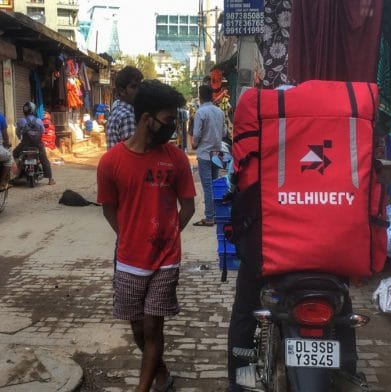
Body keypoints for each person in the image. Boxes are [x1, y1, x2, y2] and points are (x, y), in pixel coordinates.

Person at [96, 80, 195, 392]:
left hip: (166, 259)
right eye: (167, 121)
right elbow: (108, 208)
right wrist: (129, 235)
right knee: (138, 325)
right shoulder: (111, 162)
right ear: (145, 119)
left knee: (153, 324)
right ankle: (161, 372)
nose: (172, 127)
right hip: (129, 259)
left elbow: (189, 206)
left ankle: (144, 388)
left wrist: (169, 235)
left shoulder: (176, 158)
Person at [191, 84, 226, 226]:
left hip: (204, 153)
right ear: (212, 95)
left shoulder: (201, 112)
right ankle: (216, 215)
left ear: (200, 96)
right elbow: (224, 133)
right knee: (215, 183)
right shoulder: (219, 112)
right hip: (217, 153)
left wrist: (195, 143)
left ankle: (210, 217)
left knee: (207, 186)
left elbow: (197, 134)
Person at [13, 101, 55, 185]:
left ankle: (18, 174)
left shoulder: (21, 120)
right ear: (34, 110)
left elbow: (17, 132)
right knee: (44, 159)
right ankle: (50, 179)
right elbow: (43, 131)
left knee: (14, 153)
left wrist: (19, 137)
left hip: (25, 145)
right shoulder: (39, 121)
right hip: (38, 145)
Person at [106, 65, 143, 150]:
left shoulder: (116, 111)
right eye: (134, 87)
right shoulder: (128, 116)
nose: (139, 91)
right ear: (122, 91)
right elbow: (133, 153)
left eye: (140, 86)